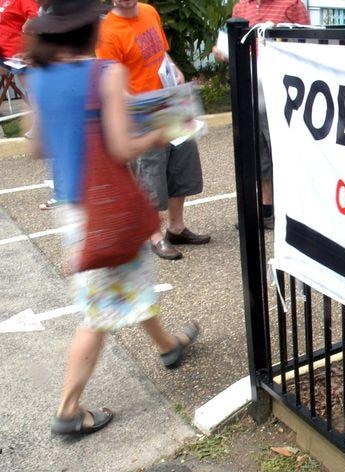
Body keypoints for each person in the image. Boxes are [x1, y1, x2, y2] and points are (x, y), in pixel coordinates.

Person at [25, 0, 200, 437]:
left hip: (74, 206)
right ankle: (68, 410)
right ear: (90, 30)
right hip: (108, 209)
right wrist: (166, 129)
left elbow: (37, 147)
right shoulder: (105, 75)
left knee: (127, 279)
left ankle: (169, 346)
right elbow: (124, 148)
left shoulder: (37, 77)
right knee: (98, 311)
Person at [96, 0, 210, 260]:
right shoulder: (108, 31)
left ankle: (177, 226)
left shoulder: (149, 12)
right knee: (150, 175)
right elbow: (110, 76)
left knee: (182, 164)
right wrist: (131, 104)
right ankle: (154, 236)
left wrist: (175, 68)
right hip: (143, 110)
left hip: (169, 99)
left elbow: (161, 52)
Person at [212, 0, 310, 230]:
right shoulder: (241, 7)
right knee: (257, 151)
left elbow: (307, 43)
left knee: (285, 149)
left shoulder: (291, 4)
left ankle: (295, 209)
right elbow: (230, 42)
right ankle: (266, 208)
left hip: (281, 91)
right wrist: (221, 52)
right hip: (250, 89)